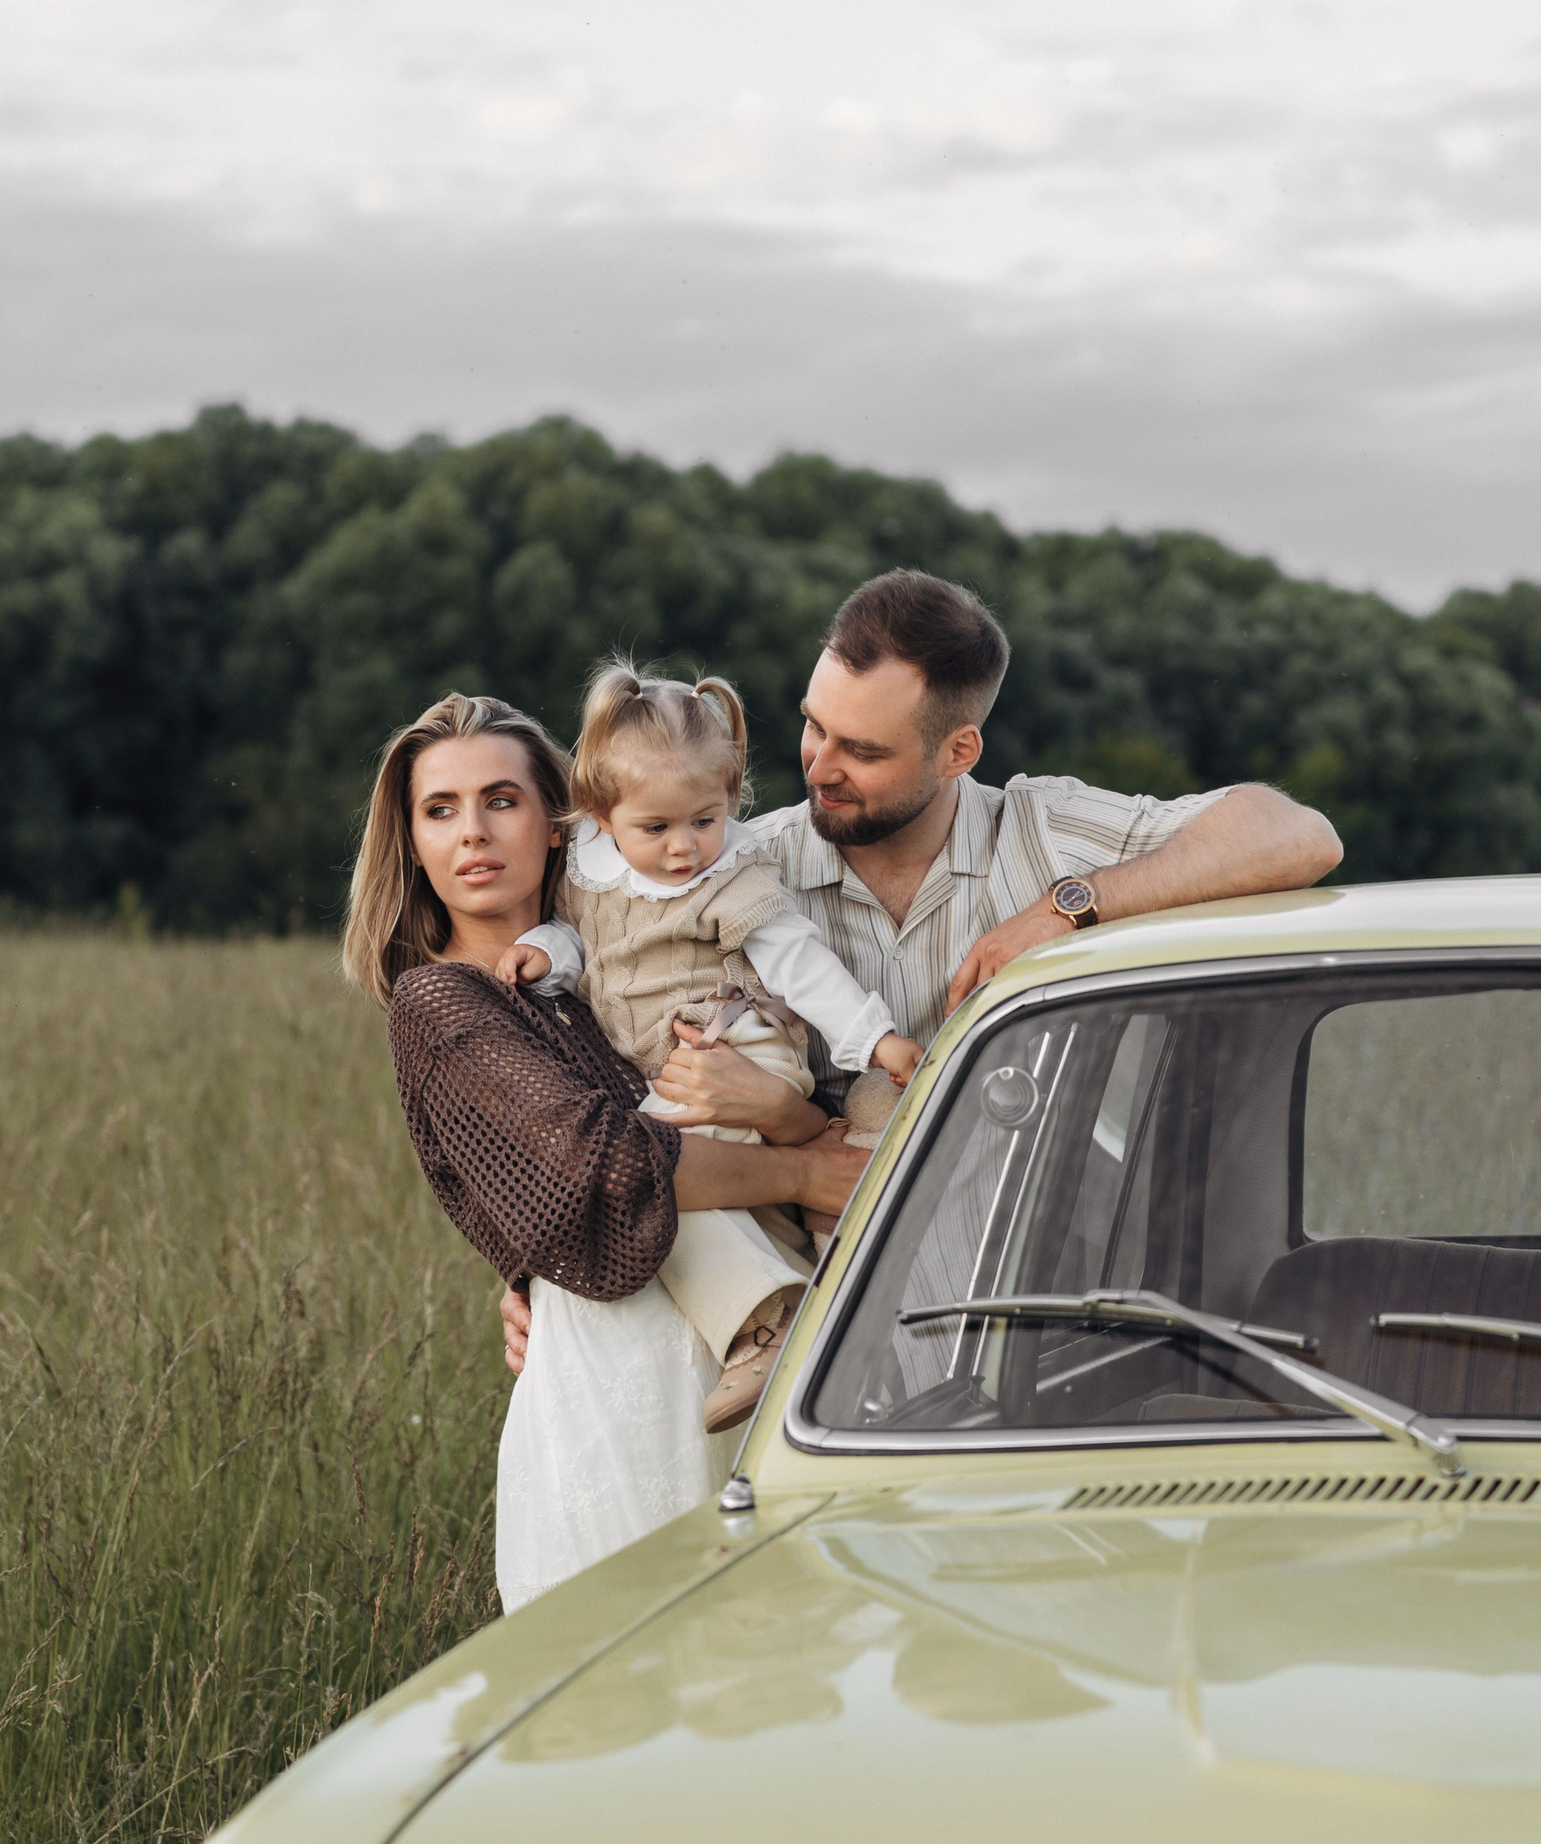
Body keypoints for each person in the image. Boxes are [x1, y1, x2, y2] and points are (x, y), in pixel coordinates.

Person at [501, 570, 1341, 1375]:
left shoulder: (1040, 832)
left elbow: (1297, 836)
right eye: (814, 726)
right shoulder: (739, 867)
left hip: (1051, 1340)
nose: (819, 766)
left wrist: (1066, 908)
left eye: (862, 750)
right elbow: (616, 1081)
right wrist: (542, 1276)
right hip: (832, 1361)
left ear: (957, 750)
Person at [341, 690, 867, 1612]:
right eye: (440, 811)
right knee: (642, 1649)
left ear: (561, 823)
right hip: (615, 1372)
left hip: (747, 1345)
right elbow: (609, 1163)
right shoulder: (445, 1002)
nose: (473, 833)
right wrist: (805, 1169)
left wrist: (789, 1122)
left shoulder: (616, 962)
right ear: (413, 843)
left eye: (501, 800)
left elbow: (755, 1101)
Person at [495, 657, 924, 1430]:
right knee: (702, 1191)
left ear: (729, 797)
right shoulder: (588, 872)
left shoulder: (733, 877)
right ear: (602, 817)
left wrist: (878, 1039)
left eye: (704, 819)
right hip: (672, 1069)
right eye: (656, 829)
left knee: (652, 1177)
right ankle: (822, 1312)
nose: (683, 848)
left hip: (741, 1044)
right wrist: (544, 954)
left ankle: (766, 1327)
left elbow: (801, 966)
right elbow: (580, 940)